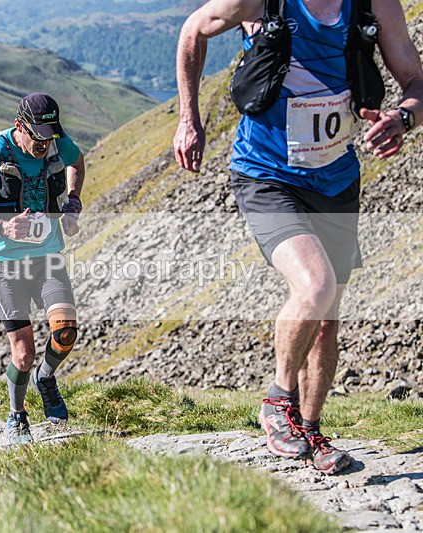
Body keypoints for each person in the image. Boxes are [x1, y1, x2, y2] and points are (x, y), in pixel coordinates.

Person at [174, 0, 423, 474]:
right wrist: (190, 119)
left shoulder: (375, 4)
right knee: (315, 286)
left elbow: (416, 82)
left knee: (327, 320)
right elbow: (193, 30)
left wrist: (403, 119)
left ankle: (310, 429)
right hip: (265, 175)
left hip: (336, 177)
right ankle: (277, 399)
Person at [0, 93, 86, 445]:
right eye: (38, 136)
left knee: (65, 332)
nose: (45, 143)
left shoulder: (56, 143)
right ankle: (17, 415)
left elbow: (77, 160)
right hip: (5, 264)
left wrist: (74, 200)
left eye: (50, 135)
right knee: (23, 353)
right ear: (20, 126)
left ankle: (45, 379)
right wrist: (3, 227)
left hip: (47, 256)